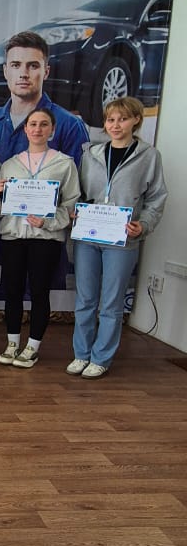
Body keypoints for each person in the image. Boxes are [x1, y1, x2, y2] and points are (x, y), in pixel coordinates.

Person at [68, 97, 167, 378]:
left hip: (122, 240)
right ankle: (81, 354)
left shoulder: (149, 156)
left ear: (136, 120)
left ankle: (101, 358)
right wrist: (75, 210)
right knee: (85, 300)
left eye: (122, 119)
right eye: (110, 120)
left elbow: (157, 198)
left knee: (111, 303)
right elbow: (78, 192)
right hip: (88, 237)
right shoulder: (92, 153)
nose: (115, 125)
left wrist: (143, 225)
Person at [0, 107, 80, 369]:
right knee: (12, 291)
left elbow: (71, 204)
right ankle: (12, 343)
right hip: (13, 237)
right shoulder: (10, 164)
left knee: (40, 292)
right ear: (25, 129)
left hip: (46, 238)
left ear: (52, 130)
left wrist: (48, 221)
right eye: (33, 124)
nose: (37, 129)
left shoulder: (64, 163)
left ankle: (32, 346)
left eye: (44, 124)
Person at [0, 32, 88, 169]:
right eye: (16, 65)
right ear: (6, 71)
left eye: (33, 66)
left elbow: (78, 180)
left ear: (46, 72)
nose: (23, 74)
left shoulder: (70, 126)